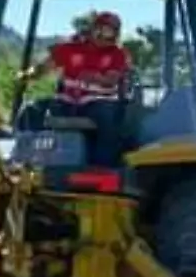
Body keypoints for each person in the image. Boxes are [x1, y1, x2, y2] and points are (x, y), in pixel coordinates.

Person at [26, 11, 132, 167]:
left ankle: (102, 167)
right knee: (32, 110)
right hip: (67, 101)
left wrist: (96, 77)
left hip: (99, 102)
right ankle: (30, 161)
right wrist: (30, 74)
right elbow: (44, 67)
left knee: (108, 118)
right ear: (94, 29)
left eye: (113, 31)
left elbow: (111, 80)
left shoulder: (118, 54)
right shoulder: (70, 49)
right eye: (105, 30)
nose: (108, 35)